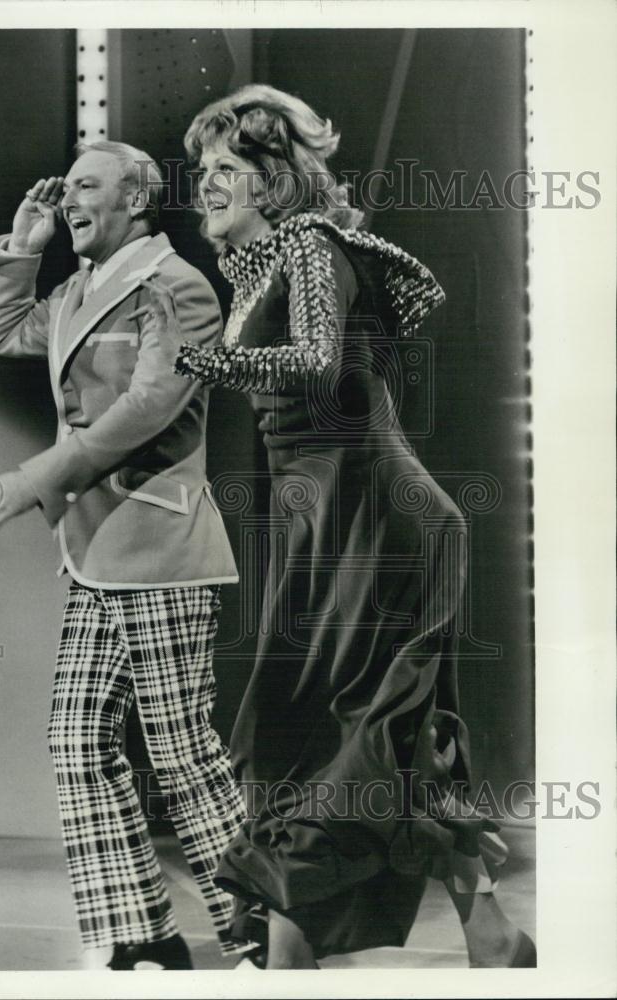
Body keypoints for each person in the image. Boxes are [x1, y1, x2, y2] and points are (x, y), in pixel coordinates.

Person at [137, 85, 537, 970]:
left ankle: (289, 953)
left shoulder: (311, 248)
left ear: (274, 179)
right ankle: (492, 937)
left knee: (333, 730)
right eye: (201, 169)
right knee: (370, 732)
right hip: (326, 520)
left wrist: (199, 359)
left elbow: (316, 369)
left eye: (226, 168)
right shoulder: (261, 268)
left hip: (378, 517)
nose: (206, 183)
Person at [0, 140, 248, 970]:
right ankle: (141, 929)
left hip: (160, 543)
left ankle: (263, 918)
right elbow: (6, 334)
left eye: (87, 187)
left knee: (181, 748)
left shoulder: (179, 286)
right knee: (76, 740)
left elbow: (150, 405)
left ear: (137, 200)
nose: (69, 200)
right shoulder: (75, 289)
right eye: (66, 191)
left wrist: (35, 475)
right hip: (95, 547)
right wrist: (23, 246)